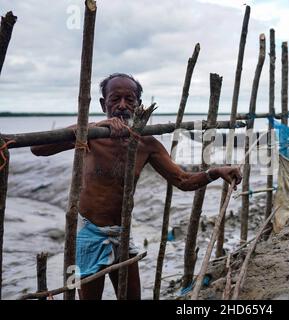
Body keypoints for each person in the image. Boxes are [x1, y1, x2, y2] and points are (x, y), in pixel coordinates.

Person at [31, 73, 242, 300]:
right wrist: (93, 126)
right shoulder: (90, 135)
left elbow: (182, 180)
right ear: (104, 104)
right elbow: (38, 148)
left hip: (122, 233)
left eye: (129, 100)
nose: (122, 106)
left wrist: (215, 172)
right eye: (115, 99)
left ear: (139, 106)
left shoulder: (146, 144)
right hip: (89, 233)